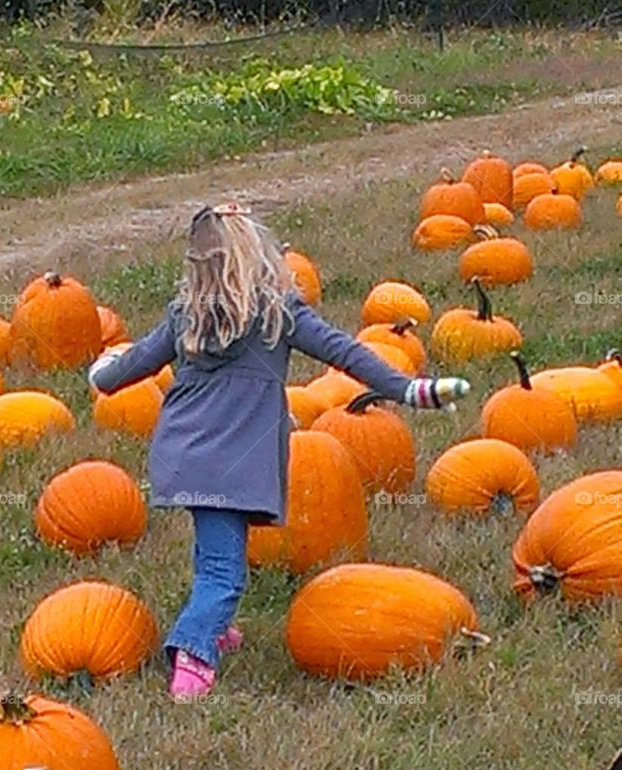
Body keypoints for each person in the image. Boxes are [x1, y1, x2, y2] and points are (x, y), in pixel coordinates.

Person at [88, 202, 470, 702]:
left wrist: (103, 373)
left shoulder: (186, 316)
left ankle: (213, 625)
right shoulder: (278, 313)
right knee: (226, 571)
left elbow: (135, 363)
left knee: (217, 547)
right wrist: (407, 390)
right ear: (259, 258)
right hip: (237, 460)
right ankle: (193, 655)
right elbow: (344, 352)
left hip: (186, 453)